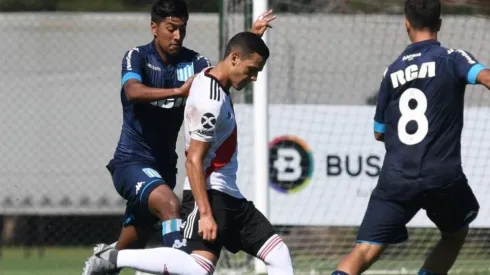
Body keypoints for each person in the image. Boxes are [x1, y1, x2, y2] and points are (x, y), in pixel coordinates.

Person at [82, 0, 276, 273]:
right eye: (171, 29)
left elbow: (222, 73)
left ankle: (105, 259)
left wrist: (252, 39)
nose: (177, 36)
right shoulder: (136, 56)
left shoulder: (195, 63)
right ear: (154, 28)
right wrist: (178, 92)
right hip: (131, 163)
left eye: (182, 30)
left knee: (130, 245)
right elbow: (132, 92)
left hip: (164, 169)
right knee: (170, 206)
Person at [331, 1, 490, 275]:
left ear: (406, 23)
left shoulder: (391, 71)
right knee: (454, 234)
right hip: (441, 176)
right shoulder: (453, 58)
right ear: (439, 23)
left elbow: (378, 131)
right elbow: (486, 77)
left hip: (396, 178)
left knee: (366, 250)